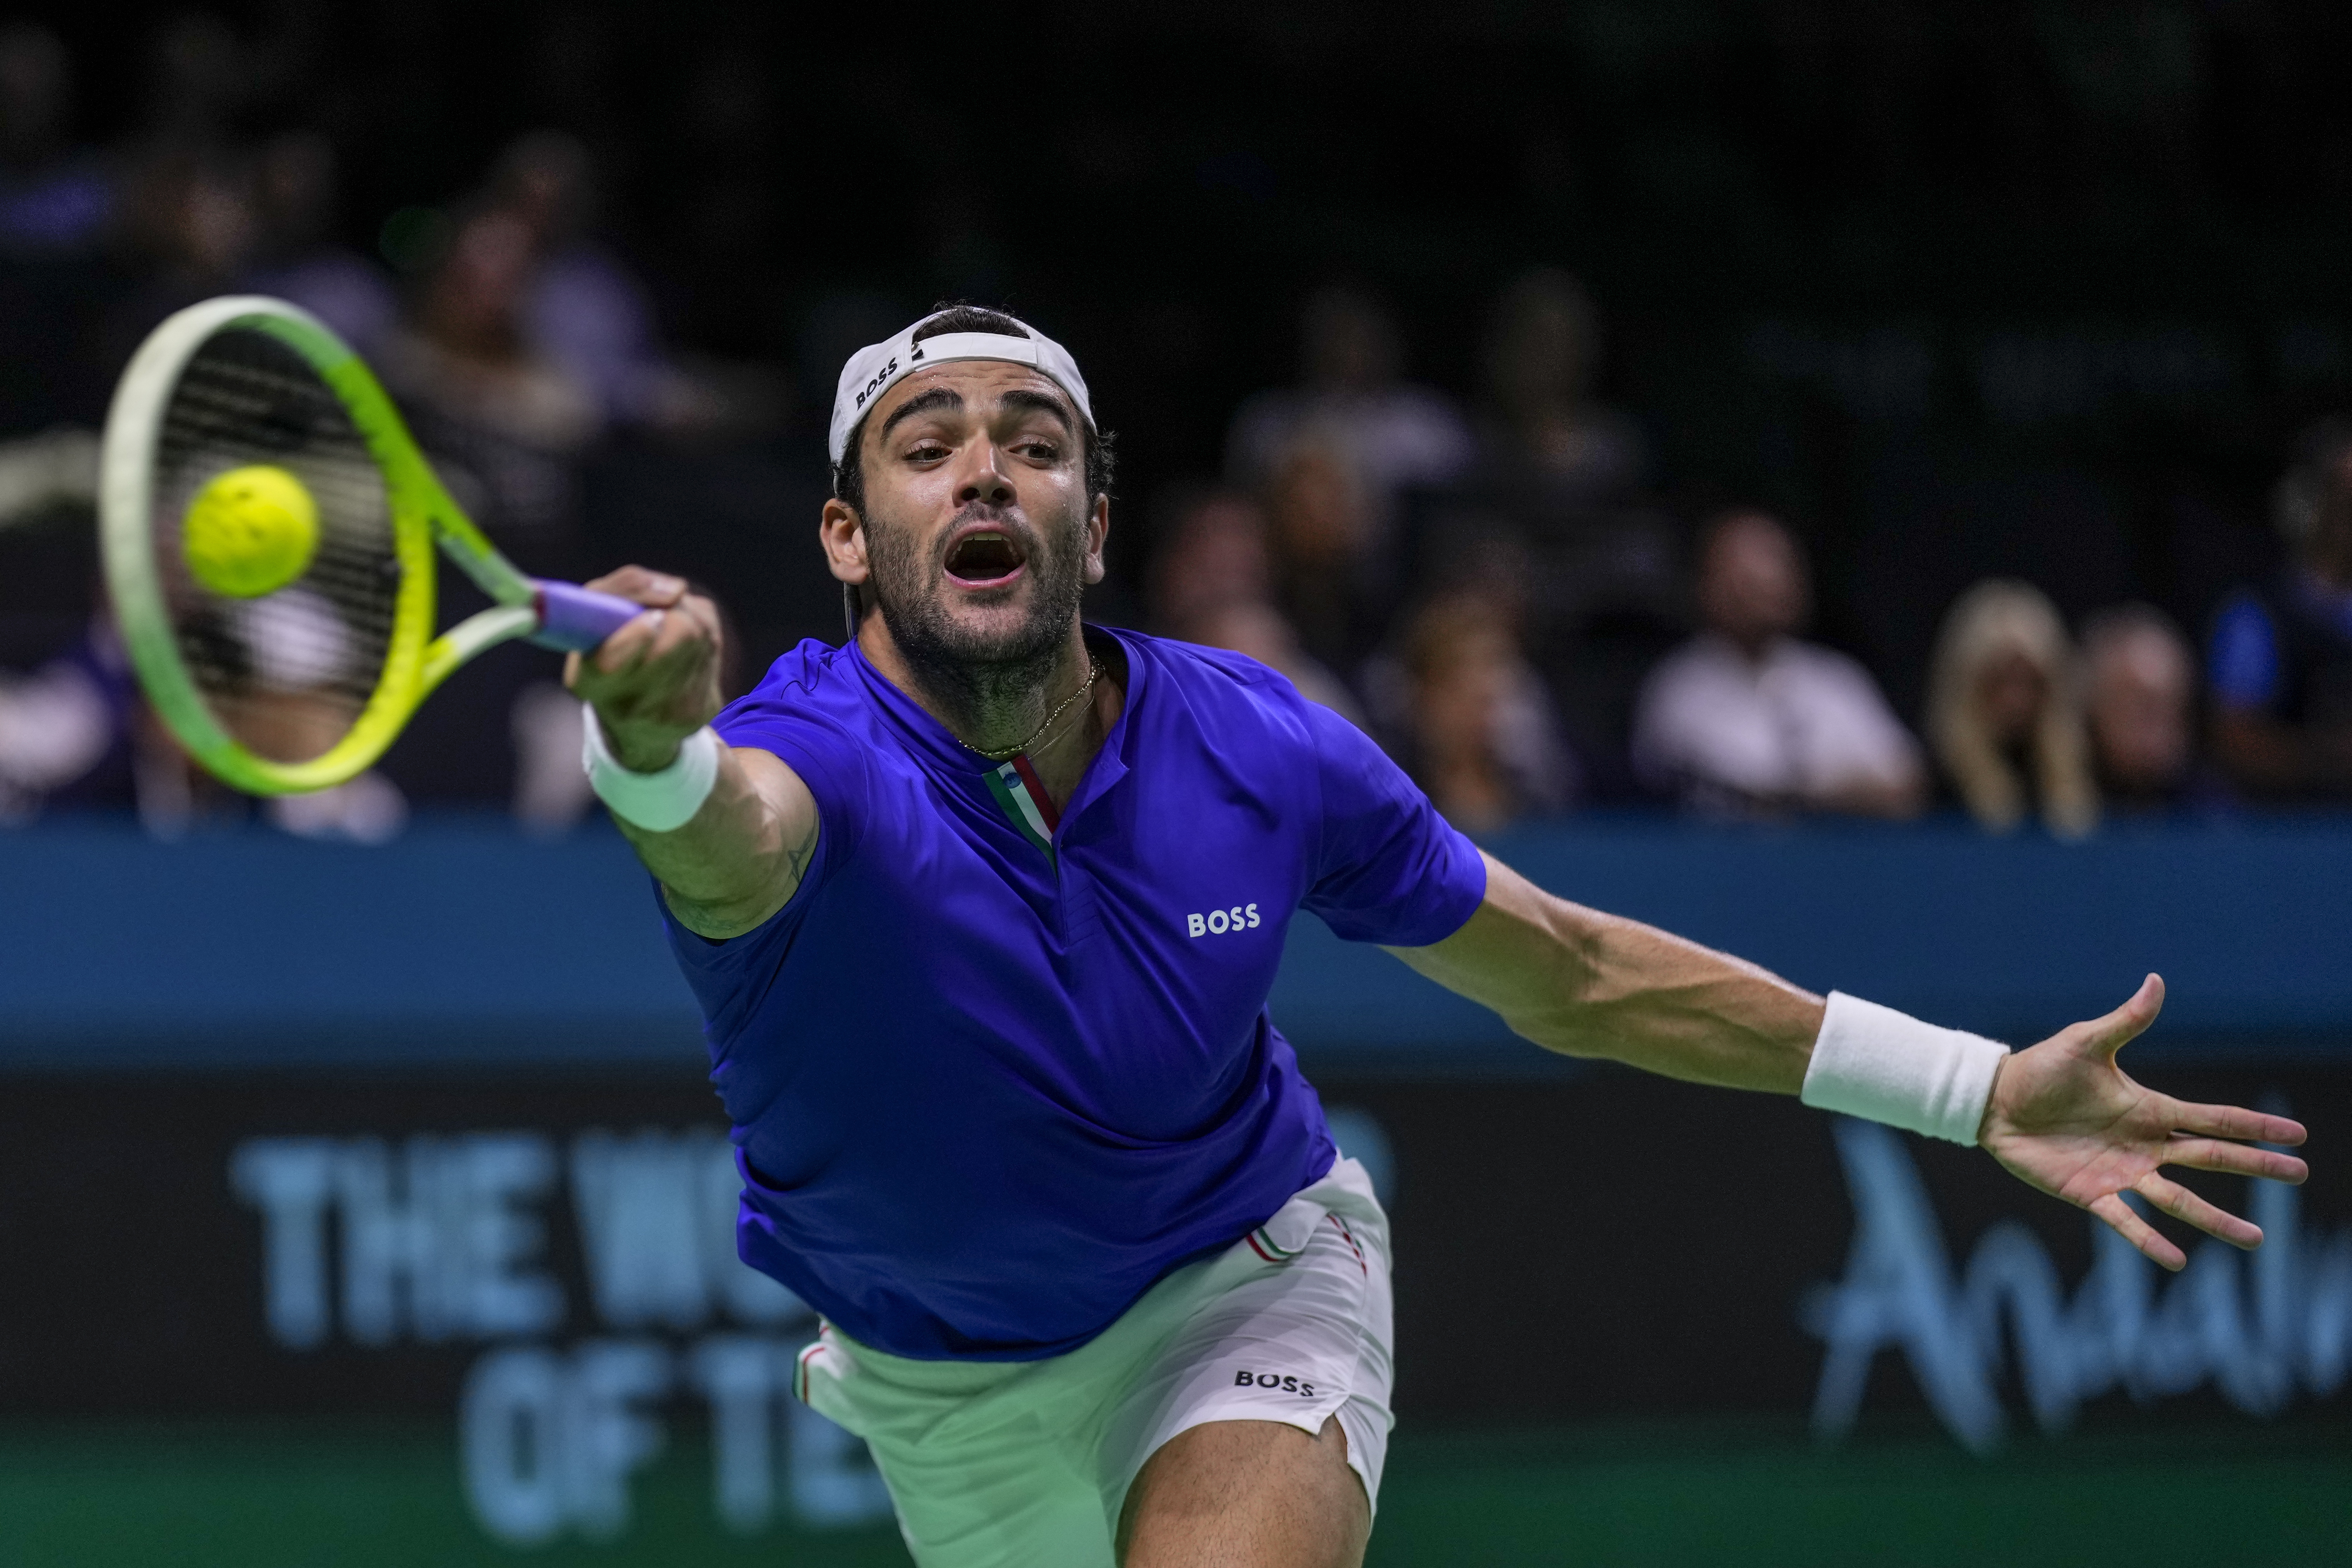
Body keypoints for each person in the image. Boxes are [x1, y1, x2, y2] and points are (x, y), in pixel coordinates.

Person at [565, 307, 2304, 1568]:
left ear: (1093, 517)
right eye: (928, 445)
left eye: (1034, 441)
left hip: (1236, 1280)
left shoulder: (1256, 746)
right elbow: (726, 842)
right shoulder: (809, 758)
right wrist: (646, 750)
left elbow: (1573, 971)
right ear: (850, 536)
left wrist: (1971, 1086)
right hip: (945, 1392)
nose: (987, 471)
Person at [1633, 509, 1923, 818]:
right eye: (1748, 578)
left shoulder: (1835, 676)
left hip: (1838, 849)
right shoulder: (1678, 689)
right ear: (1708, 587)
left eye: (1779, 569)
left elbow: (1904, 783)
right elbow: (1744, 791)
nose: (1769, 584)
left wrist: (1808, 793)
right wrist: (1839, 788)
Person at [2207, 417, 2352, 799]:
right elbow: (2233, 738)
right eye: (2343, 499)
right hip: (2289, 819)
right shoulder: (2256, 616)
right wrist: (2326, 757)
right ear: (2309, 504)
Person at [1925, 579, 2100, 838]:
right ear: (1967, 685)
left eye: (2030, 683)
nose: (2015, 701)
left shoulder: (2091, 773)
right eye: (1998, 682)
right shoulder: (1930, 784)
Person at [1397, 589, 1576, 833]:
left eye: (1489, 698)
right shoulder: (1398, 804)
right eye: (1458, 688)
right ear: (1424, 694)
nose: (1481, 711)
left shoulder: (1542, 800)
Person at [2080, 603, 2207, 811]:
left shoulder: (2213, 811)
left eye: (2174, 709)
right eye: (2143, 708)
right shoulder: (2053, 800)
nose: (2162, 729)